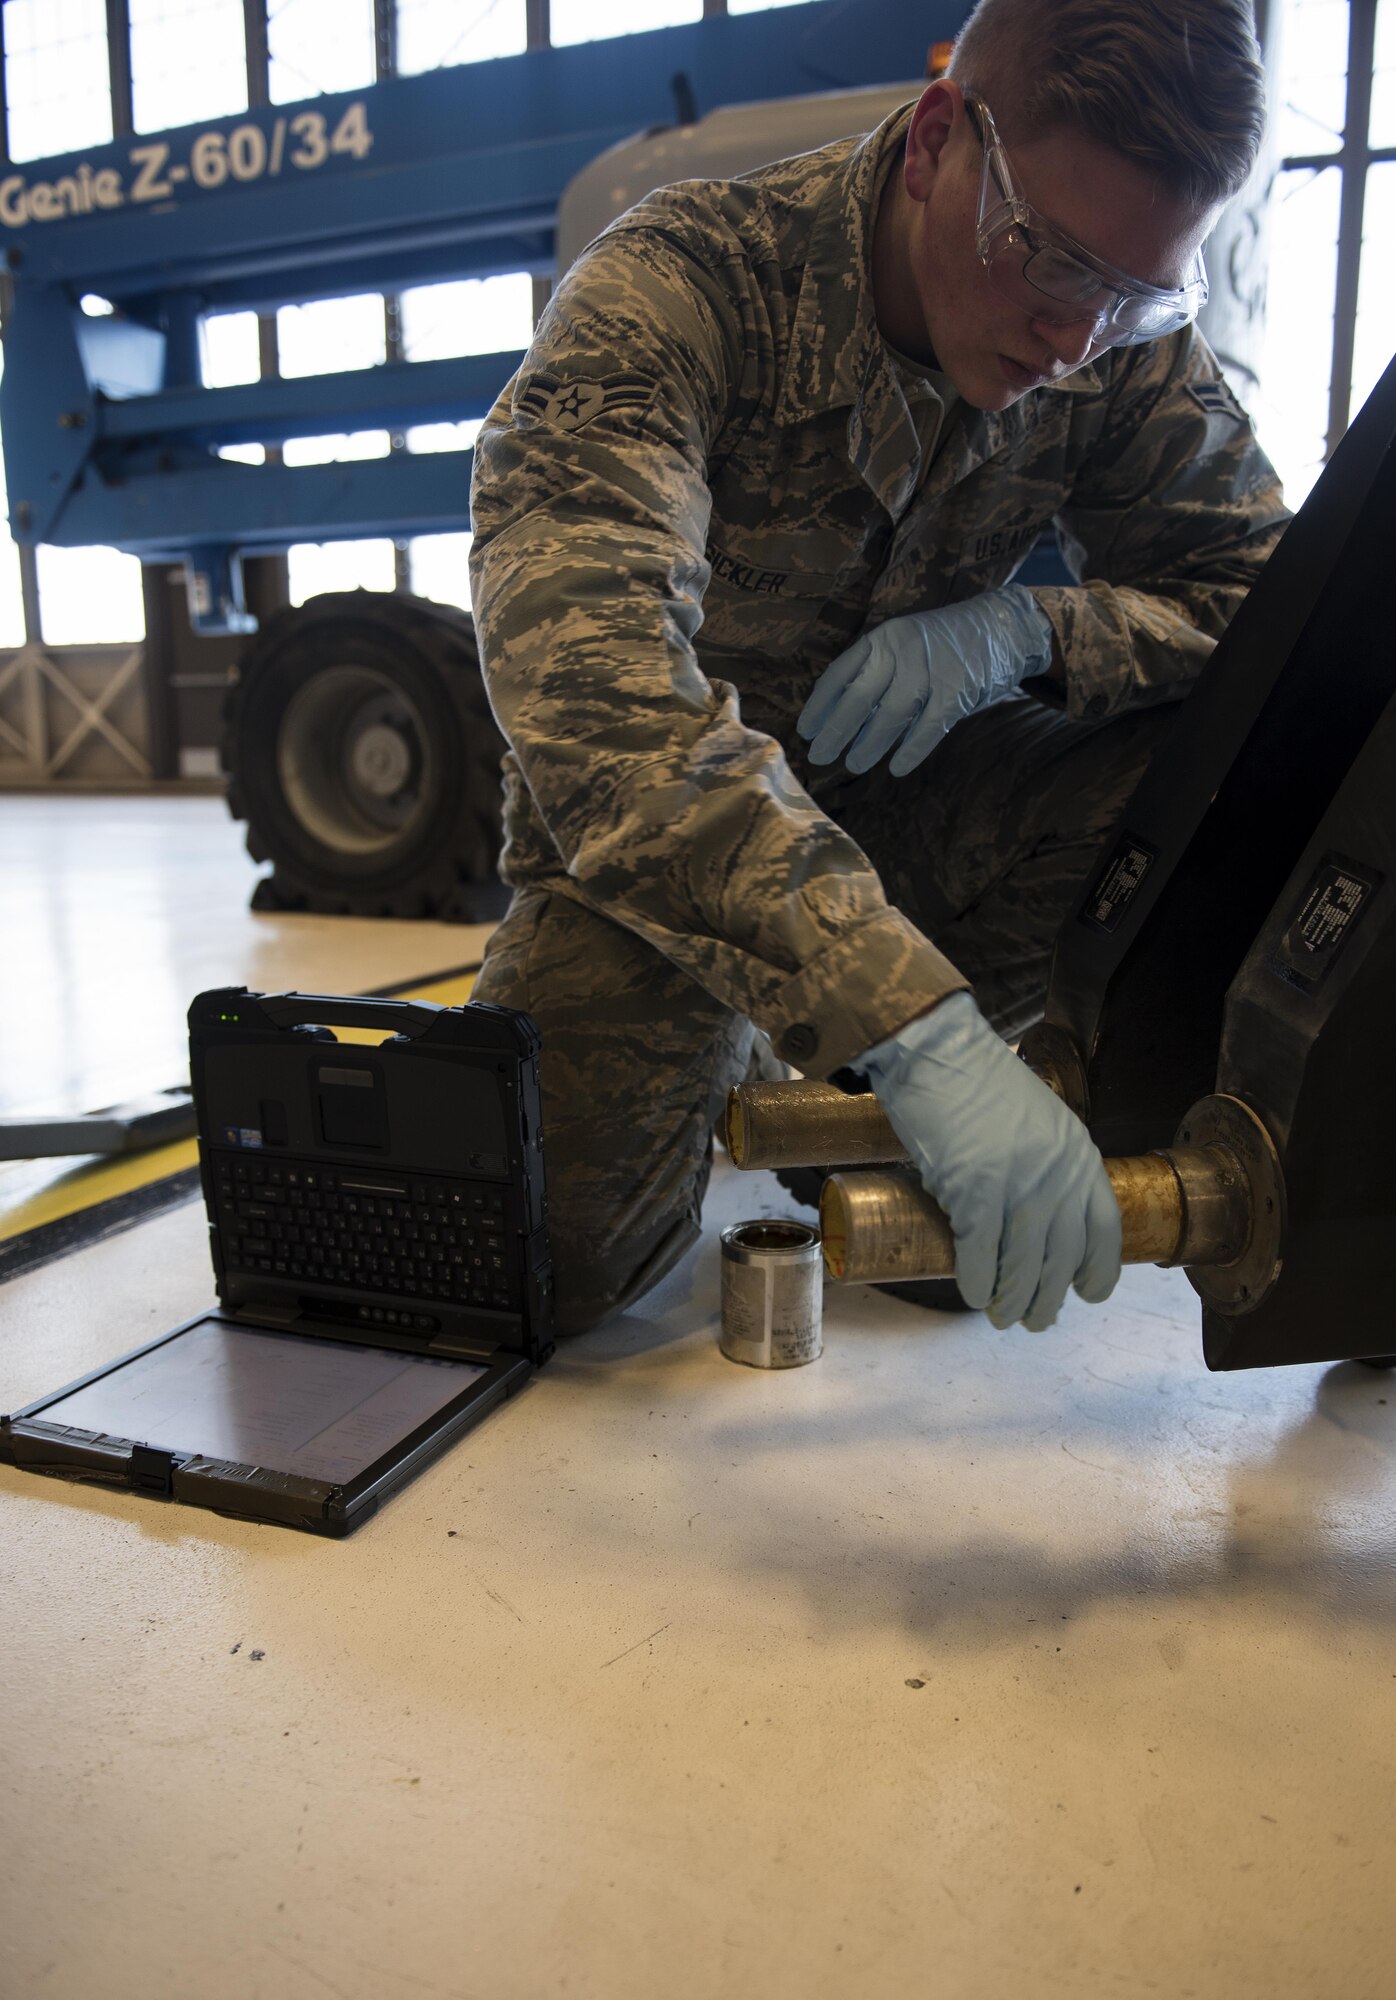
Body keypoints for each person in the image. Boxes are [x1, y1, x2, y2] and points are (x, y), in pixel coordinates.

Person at [467, 0, 1289, 1337]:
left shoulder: (1113, 340)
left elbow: (1271, 611)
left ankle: (881, 1126)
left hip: (917, 819)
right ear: (933, 144)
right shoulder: (678, 289)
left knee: (1192, 768)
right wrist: (918, 1032)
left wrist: (1036, 636)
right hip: (670, 863)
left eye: (1135, 296)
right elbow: (598, 709)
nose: (1072, 339)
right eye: (1046, 259)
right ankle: (847, 1060)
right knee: (555, 1258)